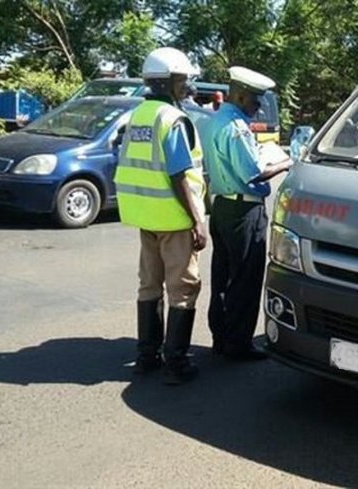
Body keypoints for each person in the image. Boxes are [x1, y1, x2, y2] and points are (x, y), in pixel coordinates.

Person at [114, 47, 208, 385]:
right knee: (183, 289)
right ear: (170, 81)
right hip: (174, 218)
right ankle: (177, 363)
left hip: (146, 216)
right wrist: (197, 219)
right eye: (183, 79)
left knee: (149, 285)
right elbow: (179, 173)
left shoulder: (138, 115)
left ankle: (146, 356)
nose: (187, 86)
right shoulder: (172, 120)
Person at [203, 66, 292, 361]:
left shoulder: (217, 119)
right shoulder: (237, 127)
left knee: (223, 275)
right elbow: (252, 174)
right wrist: (284, 164)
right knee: (245, 279)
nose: (258, 107)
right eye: (255, 100)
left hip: (223, 206)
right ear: (240, 96)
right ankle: (238, 344)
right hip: (243, 208)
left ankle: (222, 335)